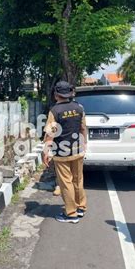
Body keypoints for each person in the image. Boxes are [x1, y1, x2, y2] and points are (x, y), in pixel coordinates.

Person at [42, 81, 87, 223]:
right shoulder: (79, 108)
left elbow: (50, 134)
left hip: (62, 153)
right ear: (69, 93)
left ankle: (71, 214)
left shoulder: (55, 111)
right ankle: (81, 207)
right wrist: (84, 143)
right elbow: (83, 128)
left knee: (66, 182)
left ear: (56, 94)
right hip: (78, 150)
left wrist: (45, 152)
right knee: (78, 179)